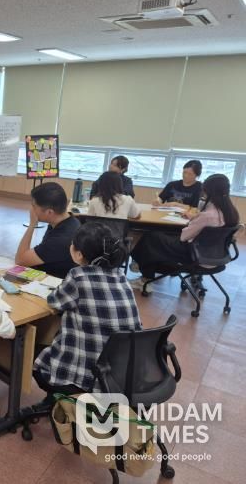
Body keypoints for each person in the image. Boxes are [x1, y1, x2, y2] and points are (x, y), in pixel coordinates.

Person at [31, 222, 142, 407]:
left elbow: (54, 301)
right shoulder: (120, 276)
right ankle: (66, 402)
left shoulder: (78, 276)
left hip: (91, 378)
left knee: (34, 354)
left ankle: (66, 400)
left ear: (79, 254)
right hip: (121, 375)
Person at [130, 174, 240, 287]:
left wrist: (194, 221)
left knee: (151, 237)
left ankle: (144, 274)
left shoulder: (207, 215)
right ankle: (143, 266)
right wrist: (195, 218)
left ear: (210, 191)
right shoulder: (231, 213)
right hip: (217, 257)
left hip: (196, 255)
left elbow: (184, 237)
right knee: (159, 238)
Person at [16, 182, 80, 278]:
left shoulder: (60, 240)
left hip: (51, 280)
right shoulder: (69, 220)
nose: (31, 210)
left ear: (49, 212)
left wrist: (32, 224)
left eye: (34, 206)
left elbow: (20, 260)